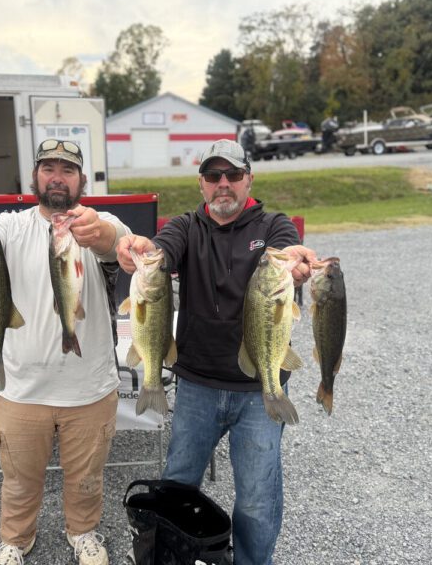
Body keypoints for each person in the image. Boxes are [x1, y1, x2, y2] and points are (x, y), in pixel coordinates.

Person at [116, 139, 316, 565]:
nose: (223, 184)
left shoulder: (274, 226)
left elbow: (290, 255)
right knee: (176, 485)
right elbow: (161, 249)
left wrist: (296, 265)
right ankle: (174, 557)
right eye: (213, 176)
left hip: (259, 393)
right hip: (197, 386)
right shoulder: (186, 226)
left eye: (233, 175)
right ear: (201, 184)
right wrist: (141, 253)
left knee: (258, 502)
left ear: (249, 179)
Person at [0, 139, 129, 565]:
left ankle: (83, 533)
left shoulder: (99, 222)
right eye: (48, 169)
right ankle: (15, 539)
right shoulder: (5, 227)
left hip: (90, 388)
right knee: (19, 480)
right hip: (20, 387)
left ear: (82, 180)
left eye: (68, 170)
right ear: (34, 178)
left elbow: (115, 242)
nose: (57, 177)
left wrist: (100, 233)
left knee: (87, 480)